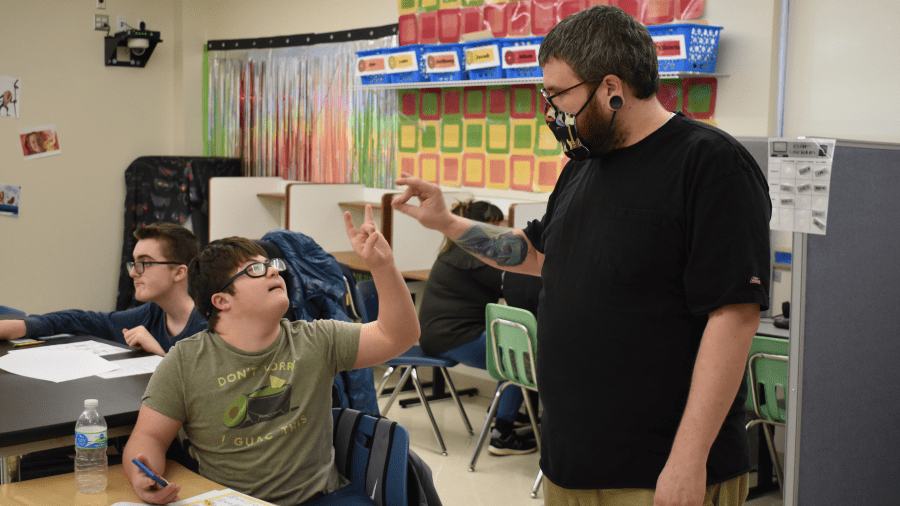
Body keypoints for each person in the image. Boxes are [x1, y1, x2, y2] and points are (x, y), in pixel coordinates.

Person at [392, 6, 772, 506]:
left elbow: (733, 315)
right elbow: (533, 253)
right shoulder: (584, 167)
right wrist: (446, 222)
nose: (551, 109)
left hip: (659, 471)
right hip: (571, 463)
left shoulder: (709, 164)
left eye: (558, 94)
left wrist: (688, 459)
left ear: (611, 86)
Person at [122, 206, 420, 506]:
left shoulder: (316, 339)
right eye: (255, 269)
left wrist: (383, 266)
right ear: (221, 300)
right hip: (234, 501)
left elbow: (398, 336)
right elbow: (149, 437)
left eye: (272, 264)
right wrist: (143, 475)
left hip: (322, 498)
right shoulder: (185, 361)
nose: (275, 270)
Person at [417, 200, 536, 455]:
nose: (502, 229)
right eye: (496, 224)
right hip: (452, 336)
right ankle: (502, 433)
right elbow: (514, 284)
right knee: (519, 357)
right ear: (482, 227)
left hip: (439, 334)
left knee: (515, 349)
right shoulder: (473, 255)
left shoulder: (457, 249)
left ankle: (506, 414)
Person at [0, 222, 205, 356]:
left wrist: (160, 353)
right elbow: (83, 320)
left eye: (145, 263)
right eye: (134, 263)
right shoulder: (152, 314)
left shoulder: (210, 326)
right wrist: (22, 327)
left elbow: (206, 393)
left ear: (179, 272)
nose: (134, 273)